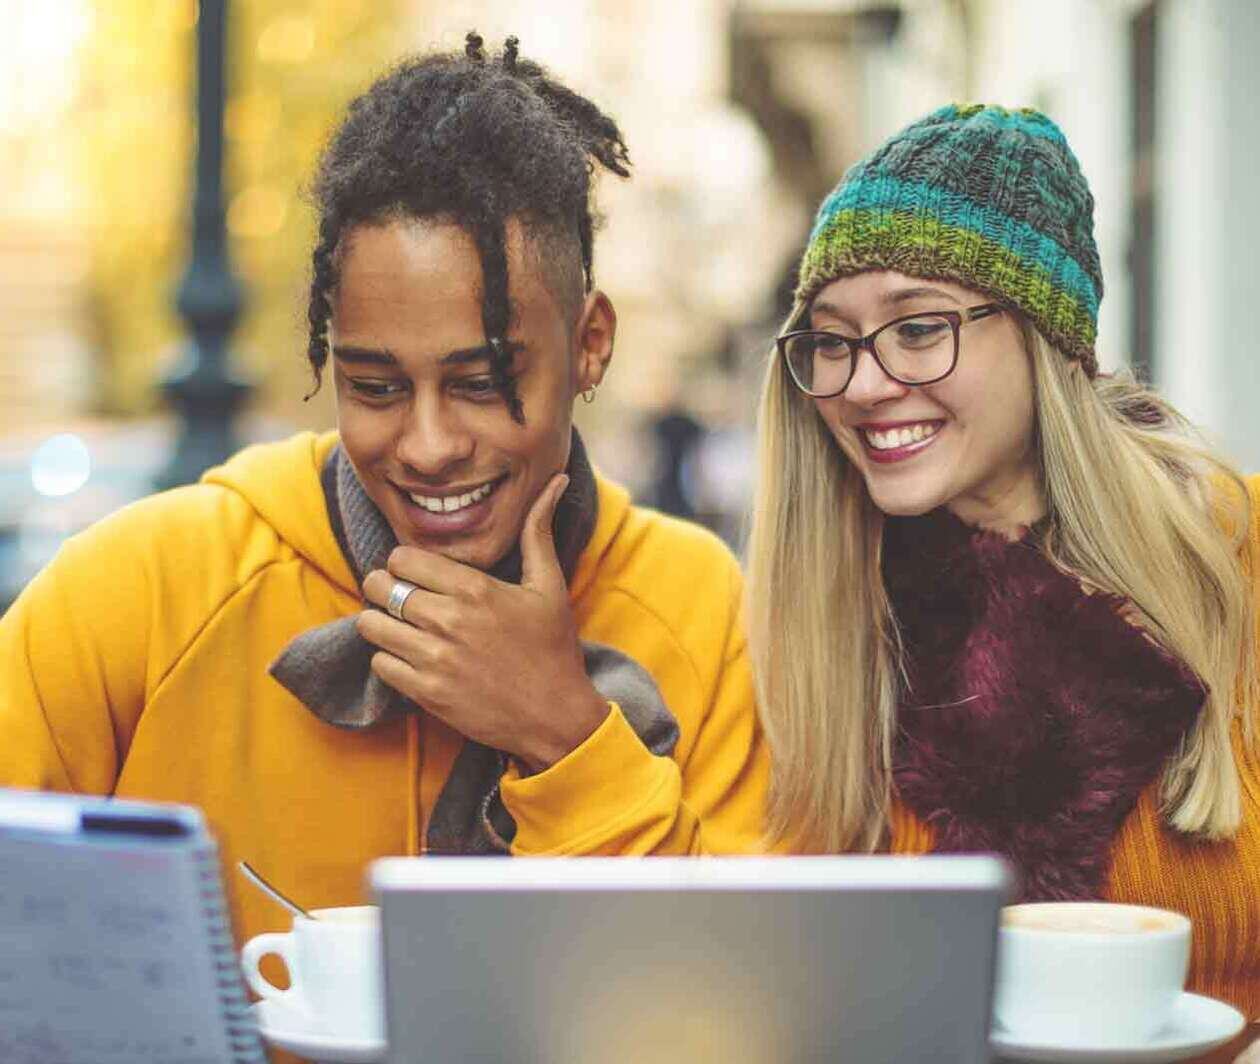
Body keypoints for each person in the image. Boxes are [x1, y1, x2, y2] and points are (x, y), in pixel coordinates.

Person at [0, 34, 770, 952]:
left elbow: (738, 1004)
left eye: (484, 380)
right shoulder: (141, 589)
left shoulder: (706, 609)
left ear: (591, 342)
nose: (430, 446)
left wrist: (566, 739)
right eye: (376, 387)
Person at [746, 104, 1260, 1041]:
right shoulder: (827, 624)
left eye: (918, 327)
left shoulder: (1240, 561)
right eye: (830, 339)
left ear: (1044, 334)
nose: (863, 385)